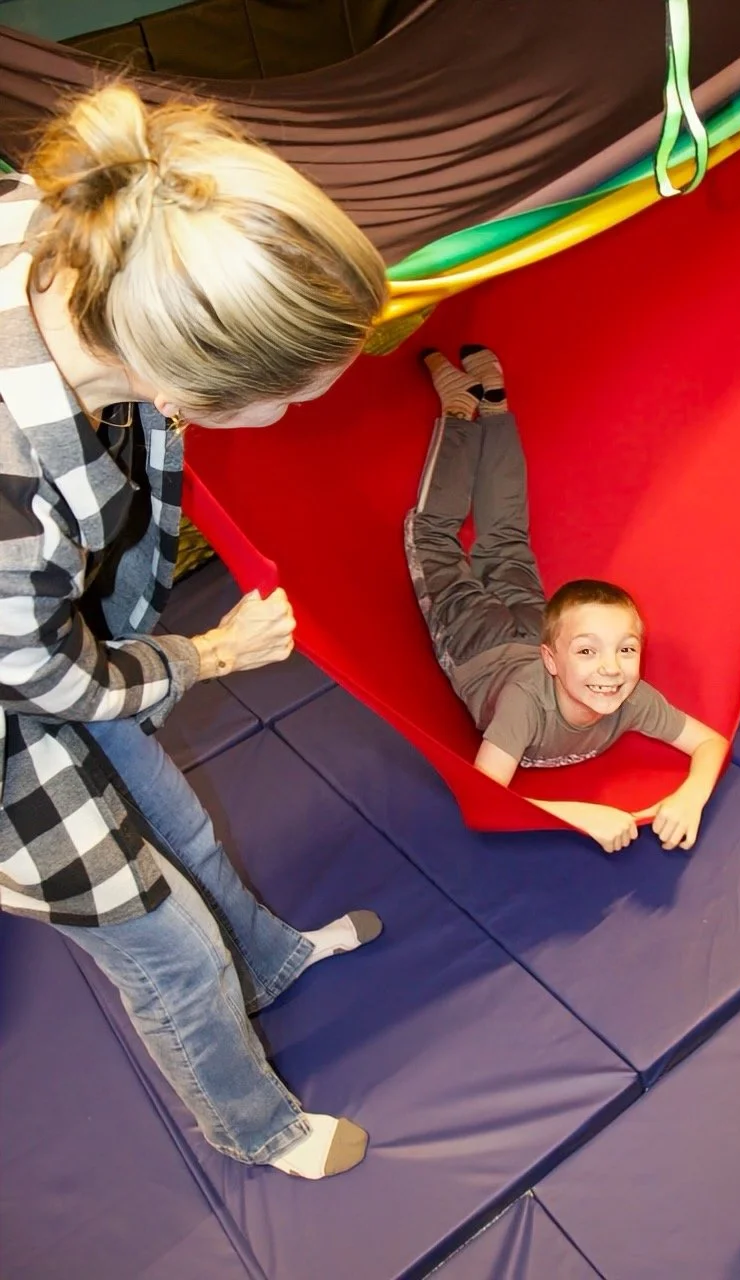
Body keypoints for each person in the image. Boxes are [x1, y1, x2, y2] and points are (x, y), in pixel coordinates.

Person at [0, 81, 390, 1179]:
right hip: (16, 709)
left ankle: (263, 962)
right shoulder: (10, 482)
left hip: (54, 643)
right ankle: (253, 1127)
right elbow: (47, 675)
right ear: (171, 383)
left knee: (175, 819)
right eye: (284, 401)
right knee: (160, 941)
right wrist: (211, 652)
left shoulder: (105, 222)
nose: (296, 416)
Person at [405, 345, 728, 855]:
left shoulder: (631, 696)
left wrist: (691, 796)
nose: (610, 669)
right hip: (476, 641)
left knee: (508, 540)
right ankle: (457, 412)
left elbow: (711, 742)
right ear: (551, 659)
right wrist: (580, 815)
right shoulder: (524, 705)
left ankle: (493, 405)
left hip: (538, 624)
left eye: (625, 649)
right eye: (589, 651)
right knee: (431, 536)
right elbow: (483, 799)